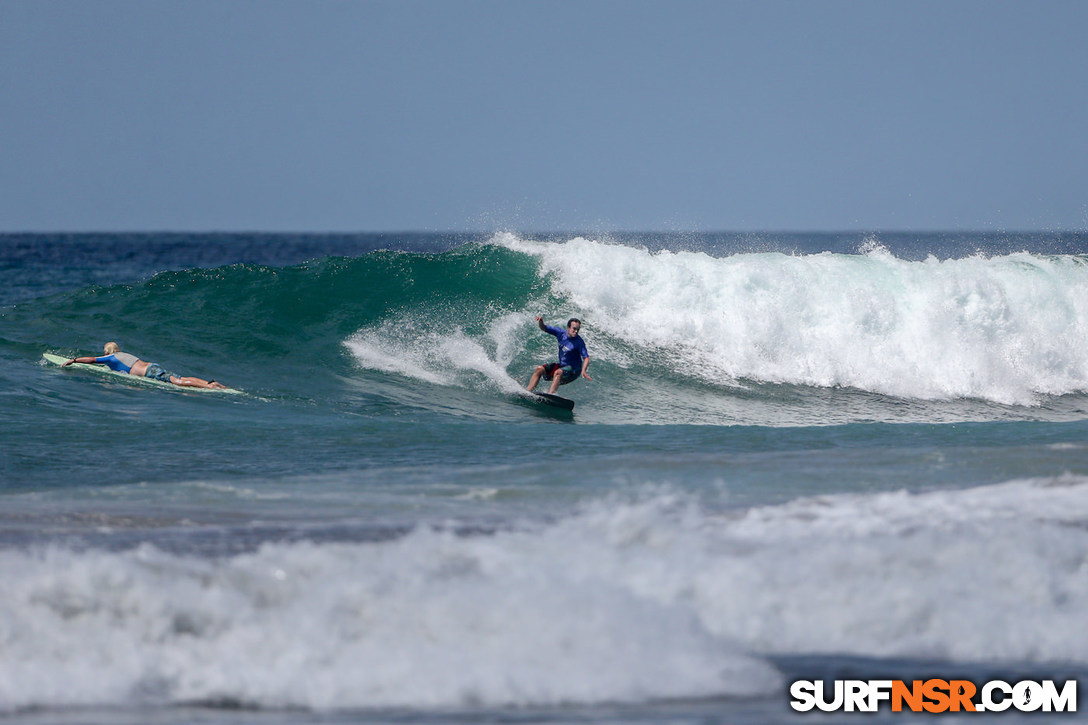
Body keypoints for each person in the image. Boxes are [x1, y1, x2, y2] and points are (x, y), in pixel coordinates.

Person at [63, 342, 227, 389]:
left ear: (107, 351)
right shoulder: (123, 354)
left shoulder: (111, 357)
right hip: (151, 366)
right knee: (180, 378)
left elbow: (92, 359)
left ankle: (210, 387)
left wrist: (74, 360)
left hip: (149, 372)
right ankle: (208, 383)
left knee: (179, 383)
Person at [526, 317, 592, 395]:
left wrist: (583, 370)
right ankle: (527, 392)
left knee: (558, 372)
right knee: (539, 369)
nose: (576, 331)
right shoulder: (560, 333)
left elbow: (586, 358)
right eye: (574, 329)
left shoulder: (579, 342)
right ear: (568, 327)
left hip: (574, 370)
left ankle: (551, 395)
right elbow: (544, 328)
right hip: (563, 366)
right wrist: (541, 322)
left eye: (578, 329)